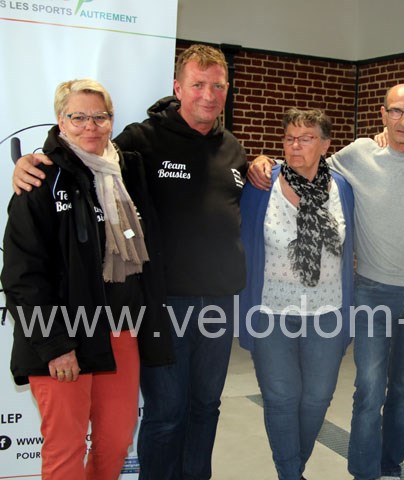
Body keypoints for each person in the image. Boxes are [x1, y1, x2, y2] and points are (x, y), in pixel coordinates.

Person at [12, 44, 248, 480]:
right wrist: (30, 161)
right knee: (165, 413)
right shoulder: (139, 142)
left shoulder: (228, 148)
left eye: (218, 86)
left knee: (199, 409)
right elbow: (78, 159)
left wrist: (266, 162)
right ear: (178, 88)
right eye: (198, 84)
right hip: (159, 305)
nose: (209, 95)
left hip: (202, 307)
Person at [247, 84, 404, 480]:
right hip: (363, 292)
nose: (403, 120)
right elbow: (294, 166)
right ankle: (349, 472)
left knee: (397, 392)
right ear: (382, 114)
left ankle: (389, 467)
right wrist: (262, 160)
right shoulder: (355, 157)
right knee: (363, 389)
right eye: (395, 111)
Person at [2, 79, 173, 480]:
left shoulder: (128, 172)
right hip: (64, 338)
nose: (90, 126)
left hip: (120, 332)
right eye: (78, 117)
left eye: (100, 116)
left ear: (112, 121)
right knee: (66, 449)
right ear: (61, 121)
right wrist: (55, 346)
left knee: (115, 442)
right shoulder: (41, 180)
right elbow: (23, 275)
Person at [237, 108, 354, 480]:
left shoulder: (342, 188)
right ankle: (290, 474)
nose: (295, 145)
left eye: (306, 138)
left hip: (328, 312)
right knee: (281, 398)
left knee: (317, 398)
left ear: (325, 144)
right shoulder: (261, 186)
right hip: (271, 312)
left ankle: (293, 467)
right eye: (289, 138)